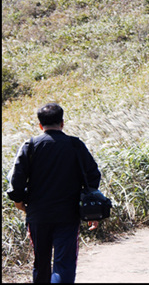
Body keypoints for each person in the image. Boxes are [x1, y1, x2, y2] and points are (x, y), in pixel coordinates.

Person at [6, 103, 102, 283]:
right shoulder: (75, 145)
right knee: (64, 264)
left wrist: (20, 204)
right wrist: (91, 208)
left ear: (40, 125)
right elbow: (93, 175)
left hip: (38, 216)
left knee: (41, 263)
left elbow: (16, 181)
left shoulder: (31, 145)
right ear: (62, 123)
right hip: (68, 215)